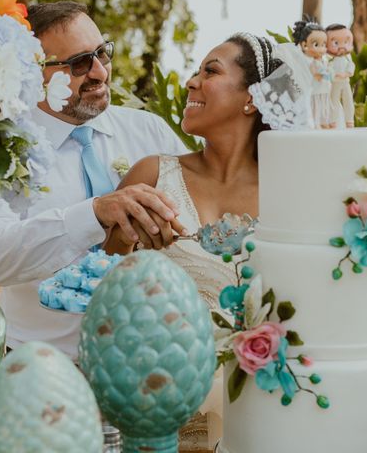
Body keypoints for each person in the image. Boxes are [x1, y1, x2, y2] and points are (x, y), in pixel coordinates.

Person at [0, 1, 188, 358]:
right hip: (42, 364)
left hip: (150, 359)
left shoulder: (150, 131)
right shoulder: (0, 150)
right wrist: (94, 214)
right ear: (29, 72)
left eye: (103, 53)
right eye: (79, 64)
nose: (100, 72)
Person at [103, 32, 279, 450]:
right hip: (157, 408)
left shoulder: (288, 191)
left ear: (251, 98)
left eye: (210, 71)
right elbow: (104, 291)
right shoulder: (151, 176)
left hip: (262, 408)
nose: (191, 82)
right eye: (196, 70)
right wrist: (124, 243)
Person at [293, 17, 335, 129]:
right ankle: (316, 122)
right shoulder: (310, 63)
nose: (322, 49)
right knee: (316, 105)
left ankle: (325, 120)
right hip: (316, 88)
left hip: (325, 89)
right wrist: (322, 75)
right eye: (316, 45)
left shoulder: (323, 60)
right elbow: (314, 75)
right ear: (304, 45)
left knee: (324, 104)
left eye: (324, 45)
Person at [326, 23, 356, 127]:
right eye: (336, 43)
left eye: (346, 42)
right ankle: (332, 121)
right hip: (335, 83)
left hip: (345, 82)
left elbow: (351, 66)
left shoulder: (348, 59)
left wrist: (347, 73)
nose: (342, 46)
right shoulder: (330, 60)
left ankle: (350, 121)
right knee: (334, 101)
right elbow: (329, 69)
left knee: (348, 101)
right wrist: (334, 74)